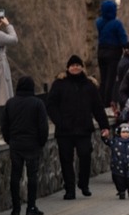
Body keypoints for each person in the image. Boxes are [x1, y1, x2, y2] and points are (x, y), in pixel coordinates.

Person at [46, 55, 111, 199]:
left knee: (85, 156)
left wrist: (104, 126)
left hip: (83, 128)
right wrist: (59, 121)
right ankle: (70, 189)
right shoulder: (59, 84)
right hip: (65, 130)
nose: (75, 67)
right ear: (68, 68)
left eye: (78, 65)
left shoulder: (89, 85)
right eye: (72, 65)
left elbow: (98, 108)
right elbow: (50, 105)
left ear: (82, 67)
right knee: (66, 160)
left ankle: (84, 183)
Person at [1, 76, 48, 215]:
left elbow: (5, 125)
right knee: (32, 175)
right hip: (33, 143)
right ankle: (31, 206)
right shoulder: (37, 103)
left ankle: (16, 208)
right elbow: (43, 126)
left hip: (16, 142)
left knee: (15, 175)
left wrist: (9, 140)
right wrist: (42, 142)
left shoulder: (10, 103)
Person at [103, 122, 129, 199]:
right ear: (119, 133)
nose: (125, 134)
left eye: (127, 132)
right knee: (119, 180)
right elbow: (108, 142)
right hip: (118, 165)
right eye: (123, 132)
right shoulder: (115, 142)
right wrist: (105, 137)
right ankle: (121, 192)